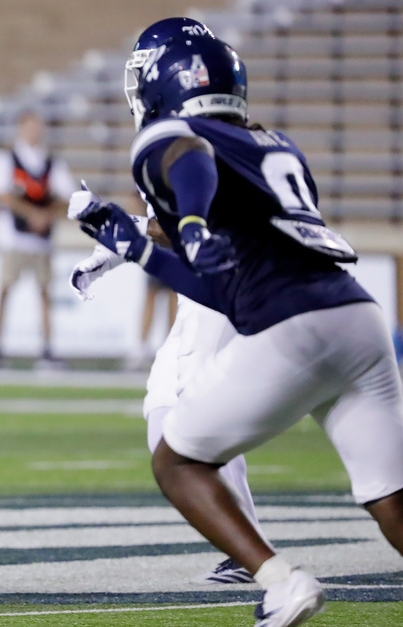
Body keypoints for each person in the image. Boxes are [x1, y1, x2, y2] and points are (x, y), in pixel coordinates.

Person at [74, 32, 403, 627]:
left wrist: (191, 225)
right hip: (359, 317)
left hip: (295, 323)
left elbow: (187, 154)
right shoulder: (277, 144)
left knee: (176, 460)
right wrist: (137, 247)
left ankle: (276, 580)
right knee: (392, 496)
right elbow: (221, 289)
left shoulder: (166, 138)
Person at [70, 18, 266, 586]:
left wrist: (126, 238)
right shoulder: (219, 136)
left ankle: (254, 555)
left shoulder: (195, 142)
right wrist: (122, 242)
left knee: (193, 415)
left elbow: (195, 216)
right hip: (217, 291)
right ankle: (246, 545)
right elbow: (178, 221)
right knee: (166, 412)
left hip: (231, 289)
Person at [0, 111, 75, 367]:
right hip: (12, 238)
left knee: (44, 292)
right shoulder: (6, 159)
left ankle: (47, 348)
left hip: (42, 240)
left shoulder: (51, 162)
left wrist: (46, 215)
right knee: (5, 289)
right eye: (30, 127)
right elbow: (0, 194)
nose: (34, 132)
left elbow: (68, 195)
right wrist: (32, 214)